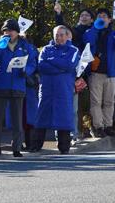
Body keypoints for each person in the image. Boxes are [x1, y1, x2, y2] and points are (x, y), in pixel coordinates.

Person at [0, 19, 33, 157]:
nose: (8, 33)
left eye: (11, 30)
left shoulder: (25, 46)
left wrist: (26, 71)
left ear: (17, 32)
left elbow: (32, 62)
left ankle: (17, 148)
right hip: (1, 85)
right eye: (6, 30)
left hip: (18, 85)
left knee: (17, 120)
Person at [31, 25, 80, 154]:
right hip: (47, 89)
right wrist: (60, 67)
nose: (59, 38)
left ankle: (64, 147)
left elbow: (70, 65)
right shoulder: (46, 49)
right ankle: (36, 145)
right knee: (42, 117)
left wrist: (52, 61)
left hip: (64, 90)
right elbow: (42, 66)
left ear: (67, 35)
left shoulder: (73, 50)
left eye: (61, 35)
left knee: (63, 118)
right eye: (56, 35)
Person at [55, 3, 94, 143]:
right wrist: (59, 14)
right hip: (75, 74)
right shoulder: (75, 32)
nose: (84, 17)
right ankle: (73, 133)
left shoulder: (95, 30)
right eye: (82, 15)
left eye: (87, 15)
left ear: (92, 19)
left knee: (89, 104)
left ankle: (89, 128)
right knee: (73, 106)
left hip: (90, 72)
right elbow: (62, 28)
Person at [83, 8, 115, 138]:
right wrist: (96, 28)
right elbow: (88, 41)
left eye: (104, 16)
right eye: (99, 16)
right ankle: (98, 126)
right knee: (96, 102)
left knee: (109, 101)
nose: (101, 18)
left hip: (111, 74)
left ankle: (108, 125)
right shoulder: (90, 31)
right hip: (96, 73)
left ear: (110, 19)